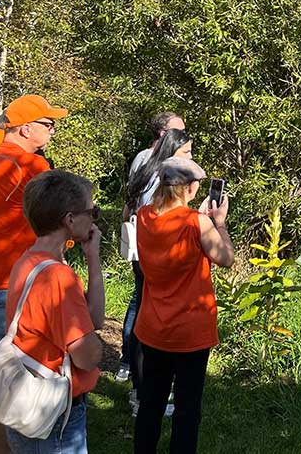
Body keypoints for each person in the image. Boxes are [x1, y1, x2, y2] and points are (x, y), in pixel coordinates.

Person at [0, 94, 68, 454]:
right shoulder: (32, 166)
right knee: (14, 373)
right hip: (23, 281)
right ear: (25, 128)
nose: (53, 129)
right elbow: (61, 222)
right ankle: (6, 447)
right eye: (47, 123)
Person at [133, 157, 234, 454]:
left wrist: (199, 219)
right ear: (190, 188)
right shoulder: (197, 223)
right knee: (187, 408)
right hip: (190, 330)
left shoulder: (143, 216)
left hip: (153, 326)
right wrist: (219, 223)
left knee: (151, 402)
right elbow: (226, 259)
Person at [4, 170, 105, 453]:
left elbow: (95, 318)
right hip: (57, 412)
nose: (94, 218)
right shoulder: (59, 278)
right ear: (70, 220)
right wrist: (96, 349)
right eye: (92, 211)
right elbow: (86, 356)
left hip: (26, 398)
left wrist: (92, 256)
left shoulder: (27, 262)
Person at [118, 129, 194, 414]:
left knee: (143, 314)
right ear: (173, 152)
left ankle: (141, 392)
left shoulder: (146, 166)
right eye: (186, 152)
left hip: (142, 253)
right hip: (156, 256)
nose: (190, 157)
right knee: (150, 323)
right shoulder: (161, 178)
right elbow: (162, 217)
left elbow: (129, 210)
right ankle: (148, 395)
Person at [129, 112, 185, 178]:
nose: (183, 135)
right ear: (163, 134)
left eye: (184, 131)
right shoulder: (146, 157)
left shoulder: (171, 157)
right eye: (178, 132)